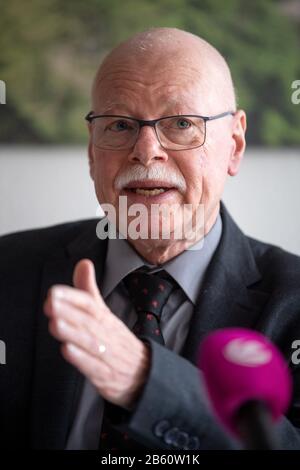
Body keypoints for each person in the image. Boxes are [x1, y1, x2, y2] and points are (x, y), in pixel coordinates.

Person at [1, 27, 300, 450]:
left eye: (181, 124)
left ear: (233, 145)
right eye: (120, 125)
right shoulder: (7, 271)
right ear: (92, 151)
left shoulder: (293, 303)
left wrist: (147, 381)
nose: (145, 151)